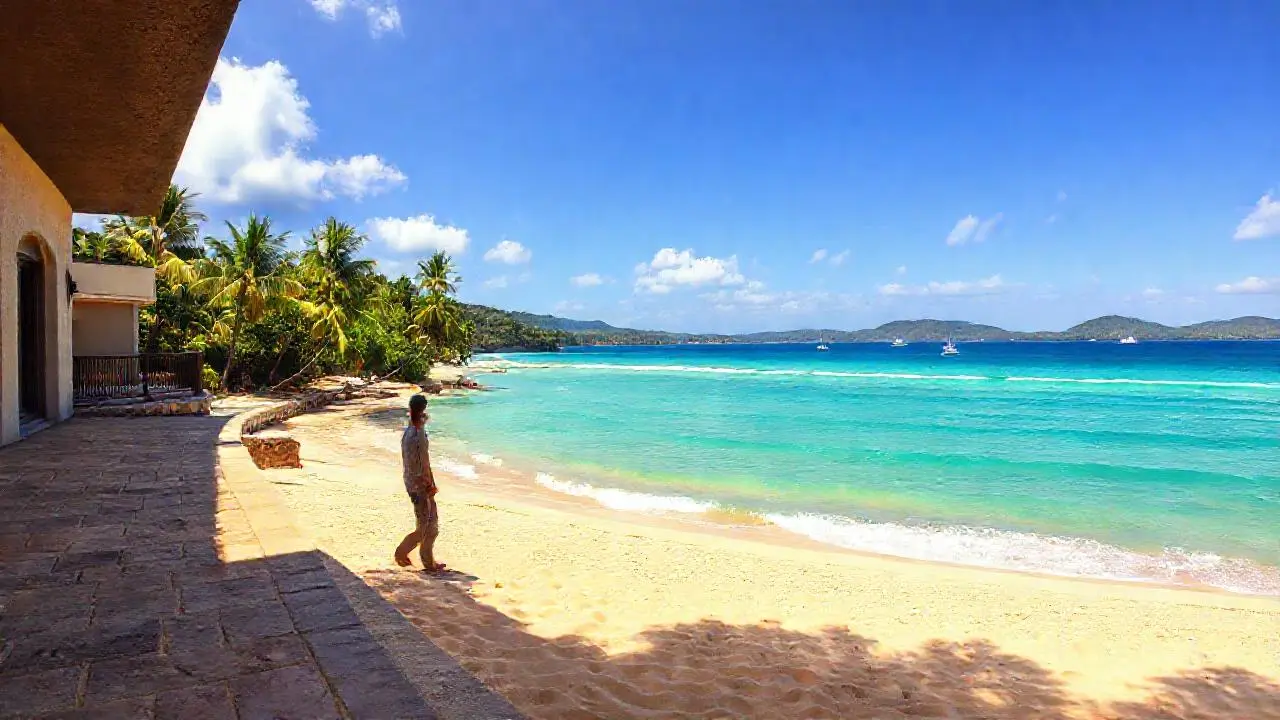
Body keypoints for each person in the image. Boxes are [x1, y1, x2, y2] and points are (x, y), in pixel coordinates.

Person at [395, 394, 445, 571]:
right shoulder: (417, 435)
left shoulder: (410, 430)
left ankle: (428, 562)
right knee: (426, 526)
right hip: (420, 485)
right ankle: (401, 552)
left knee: (429, 525)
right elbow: (423, 463)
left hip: (412, 482)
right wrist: (430, 484)